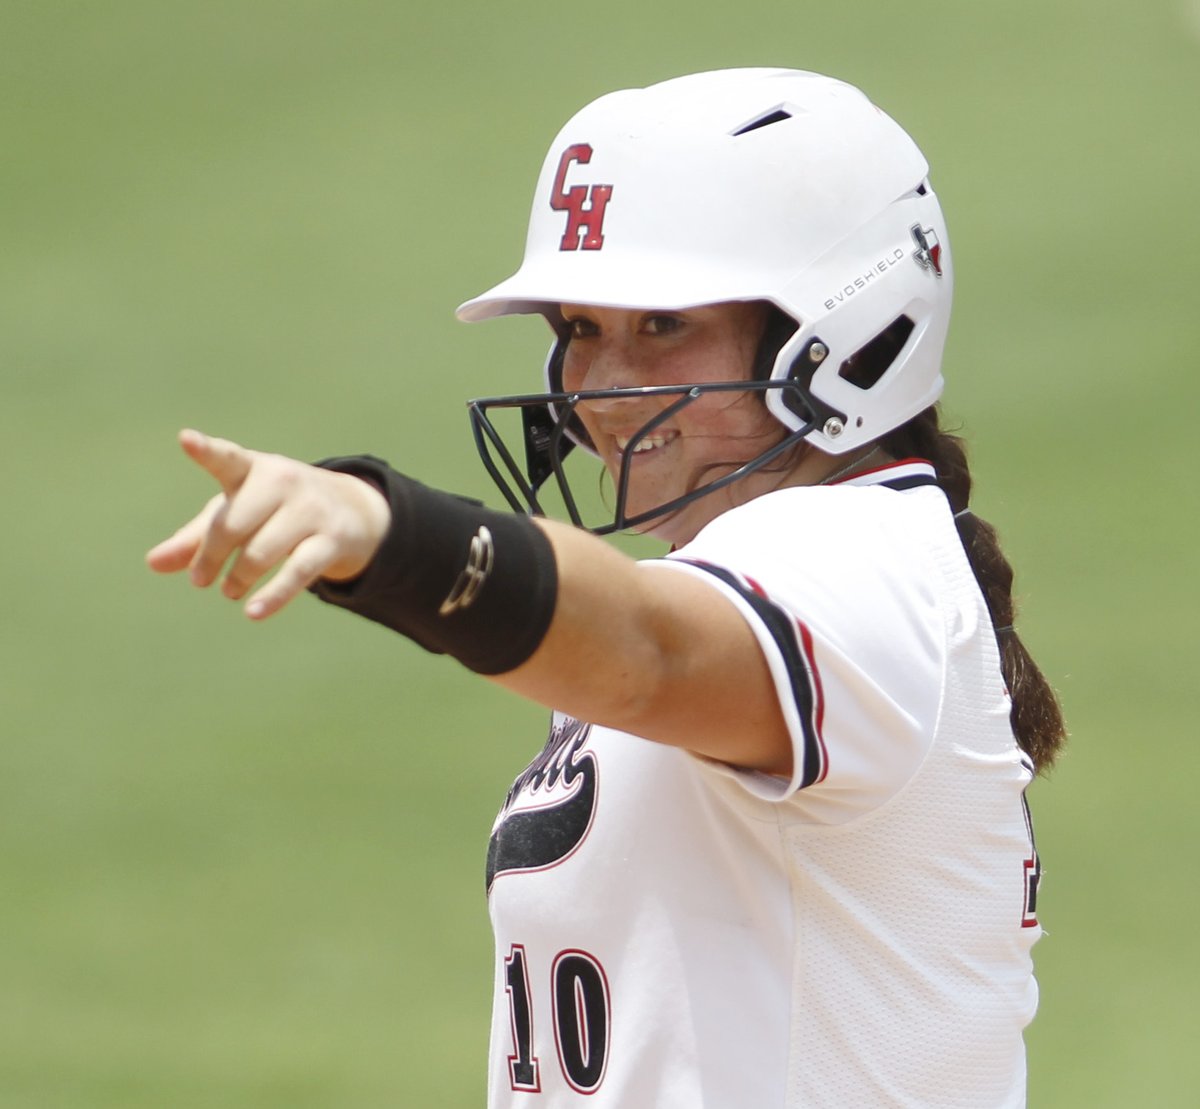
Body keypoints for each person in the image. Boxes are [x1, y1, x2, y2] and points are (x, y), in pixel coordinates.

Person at [147, 68, 1066, 1108]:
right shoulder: (813, 565)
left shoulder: (859, 563)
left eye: (663, 324)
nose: (602, 388)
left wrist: (395, 535)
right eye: (581, 328)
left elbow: (647, 655)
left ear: (845, 332)